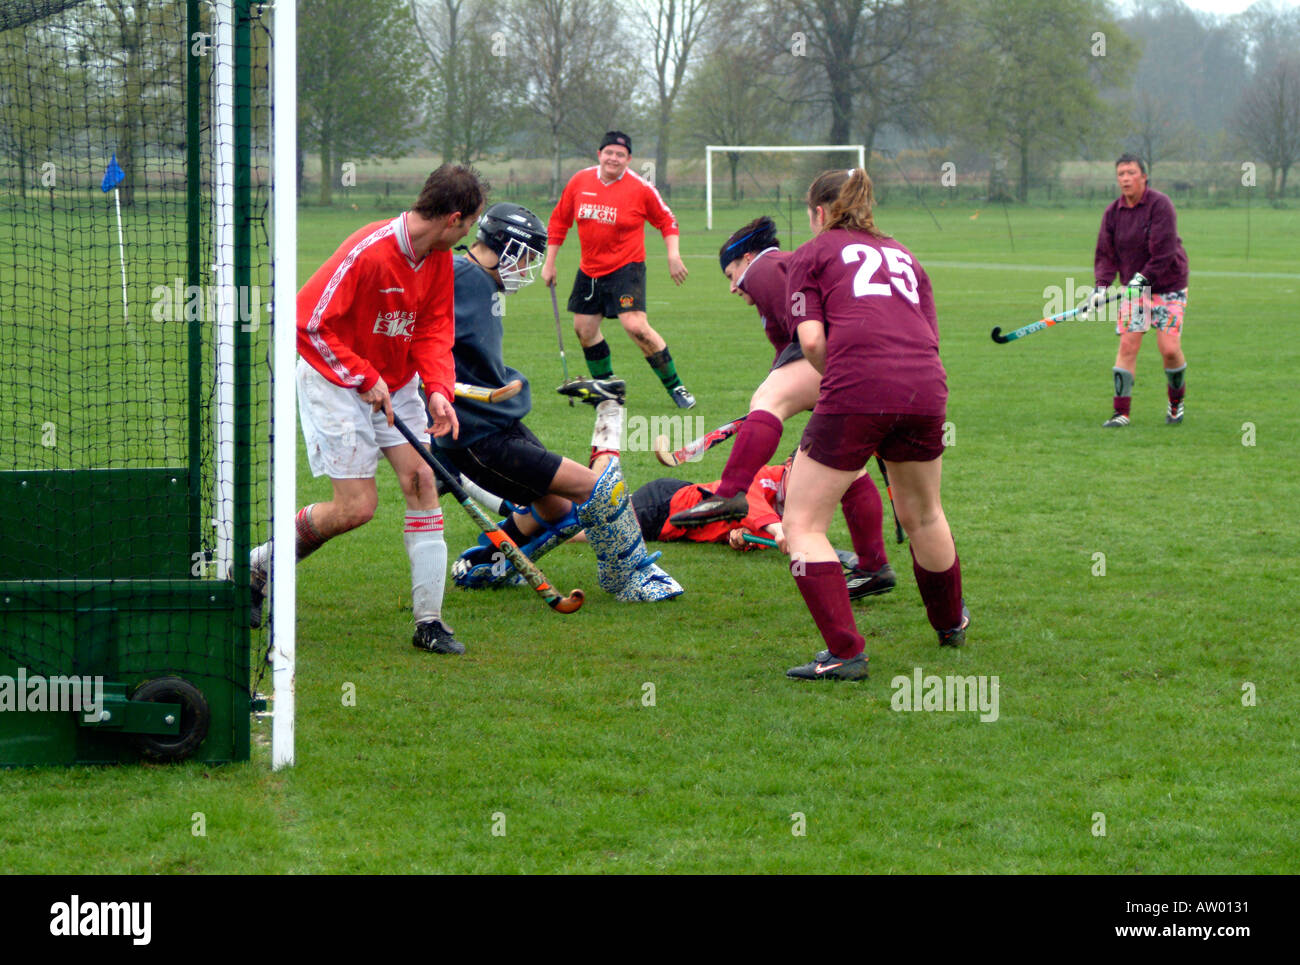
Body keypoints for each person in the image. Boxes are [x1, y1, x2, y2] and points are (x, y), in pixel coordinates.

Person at [248, 164, 487, 656]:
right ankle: (257, 567)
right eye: (469, 226)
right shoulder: (368, 249)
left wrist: (439, 388)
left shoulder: (438, 260)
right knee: (356, 509)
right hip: (334, 380)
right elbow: (307, 323)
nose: (470, 236)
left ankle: (430, 622)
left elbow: (433, 328)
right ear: (454, 219)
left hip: (396, 384)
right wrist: (363, 375)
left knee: (422, 482)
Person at [436, 201, 683, 603]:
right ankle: (631, 578)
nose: (530, 266)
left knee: (555, 510)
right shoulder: (460, 276)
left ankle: (488, 563)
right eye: (527, 255)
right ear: (505, 247)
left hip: (497, 420)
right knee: (596, 488)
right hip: (476, 434)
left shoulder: (482, 280)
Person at [781, 169, 969, 682]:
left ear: (818, 212)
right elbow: (927, 333)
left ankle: (845, 653)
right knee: (924, 514)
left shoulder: (812, 253)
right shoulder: (906, 254)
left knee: (802, 524)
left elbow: (814, 343)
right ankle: (950, 623)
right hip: (926, 384)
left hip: (861, 383)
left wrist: (847, 386)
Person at [664, 214, 895, 598]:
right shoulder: (779, 275)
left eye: (730, 274)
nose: (733, 287)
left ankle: (731, 492)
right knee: (845, 467)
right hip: (873, 360)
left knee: (767, 400)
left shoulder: (765, 268)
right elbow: (788, 355)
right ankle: (874, 568)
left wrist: (771, 408)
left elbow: (809, 342)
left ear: (747, 257)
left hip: (844, 358)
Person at [540, 131, 696, 409]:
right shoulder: (579, 182)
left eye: (620, 155)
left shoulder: (641, 188)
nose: (614, 158)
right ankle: (608, 388)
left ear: (629, 159)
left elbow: (667, 220)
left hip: (627, 267)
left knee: (636, 326)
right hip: (589, 270)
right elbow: (559, 222)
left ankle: (677, 387)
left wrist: (673, 255)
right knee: (584, 330)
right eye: (609, 152)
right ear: (599, 154)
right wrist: (549, 263)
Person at [1080, 153, 1190, 427]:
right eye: (1121, 174)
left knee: (1169, 350)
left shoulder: (1160, 205)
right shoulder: (1112, 213)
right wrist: (1101, 289)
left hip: (1168, 284)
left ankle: (1175, 404)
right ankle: (1121, 413)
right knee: (1128, 345)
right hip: (1134, 290)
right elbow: (1105, 255)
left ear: (1144, 176)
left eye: (1131, 173)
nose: (1125, 178)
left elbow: (1163, 252)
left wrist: (1141, 279)